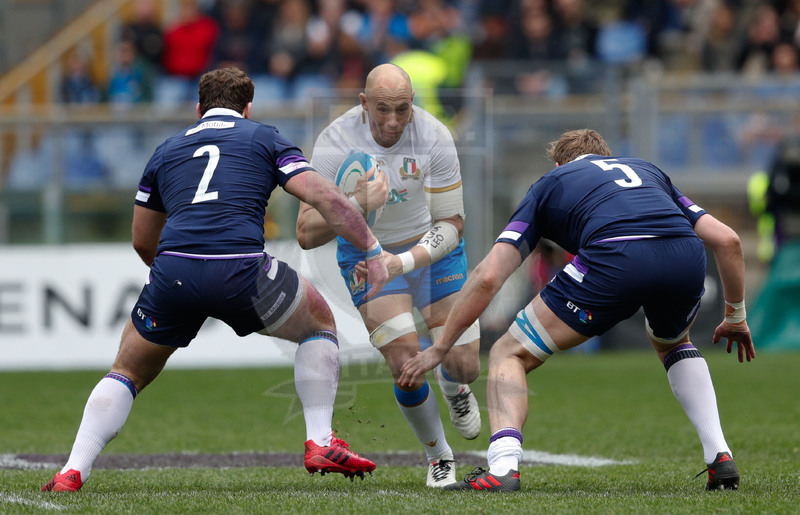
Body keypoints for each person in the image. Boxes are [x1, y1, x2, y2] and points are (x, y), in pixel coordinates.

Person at [42, 67, 389, 492]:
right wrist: (371, 251)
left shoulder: (167, 150)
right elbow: (326, 197)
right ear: (247, 108)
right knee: (318, 323)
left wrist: (178, 280)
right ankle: (319, 441)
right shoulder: (264, 137)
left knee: (127, 371)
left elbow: (141, 240)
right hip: (242, 269)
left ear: (197, 108)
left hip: (174, 271)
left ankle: (72, 471)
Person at [400, 129, 755, 492]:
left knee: (509, 352)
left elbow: (489, 276)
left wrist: (441, 346)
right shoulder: (647, 170)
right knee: (673, 343)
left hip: (614, 257)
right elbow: (727, 240)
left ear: (559, 163)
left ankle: (504, 468)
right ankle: (720, 456)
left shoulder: (552, 181)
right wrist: (736, 317)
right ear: (606, 156)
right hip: (685, 255)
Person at [295, 63, 481, 488]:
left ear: (412, 104)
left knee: (465, 364)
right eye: (382, 109)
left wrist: (402, 261)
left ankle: (454, 388)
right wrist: (355, 203)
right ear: (364, 104)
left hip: (431, 252)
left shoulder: (434, 136)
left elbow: (452, 224)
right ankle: (439, 456)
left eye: (402, 109)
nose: (393, 121)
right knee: (405, 364)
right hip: (365, 254)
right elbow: (306, 232)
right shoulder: (334, 141)